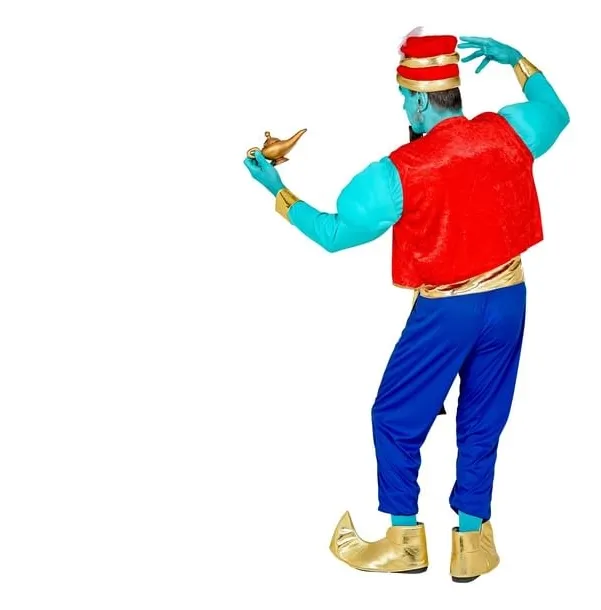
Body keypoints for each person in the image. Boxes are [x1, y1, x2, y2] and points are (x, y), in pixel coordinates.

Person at [244, 31, 569, 582]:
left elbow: (333, 234)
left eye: (403, 98)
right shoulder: (510, 131)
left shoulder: (396, 172)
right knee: (482, 417)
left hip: (448, 311)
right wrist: (516, 59)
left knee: (394, 417)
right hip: (510, 297)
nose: (402, 109)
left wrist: (277, 189)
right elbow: (554, 113)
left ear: (419, 101)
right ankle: (472, 541)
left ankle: (404, 540)